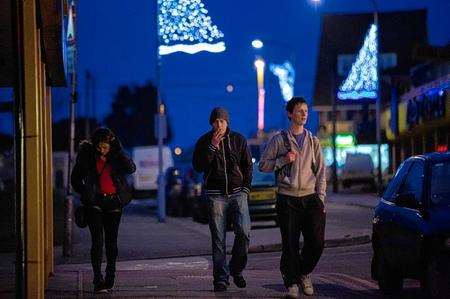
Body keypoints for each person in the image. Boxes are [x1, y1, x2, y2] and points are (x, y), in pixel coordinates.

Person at [259, 97, 326, 298]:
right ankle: (292, 283)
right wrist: (282, 160)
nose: (304, 114)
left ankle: (303, 272)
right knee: (290, 245)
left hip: (310, 198)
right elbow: (263, 165)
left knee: (316, 242)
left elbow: (322, 172)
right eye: (299, 111)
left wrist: (321, 198)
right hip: (287, 199)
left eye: (306, 111)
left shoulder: (313, 141)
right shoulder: (279, 140)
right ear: (290, 114)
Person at [192, 107, 253, 292]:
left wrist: (245, 189)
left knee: (244, 232)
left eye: (222, 121)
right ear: (211, 123)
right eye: (216, 121)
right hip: (215, 194)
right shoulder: (204, 141)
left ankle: (236, 268)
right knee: (218, 239)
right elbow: (198, 166)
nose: (219, 124)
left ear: (227, 122)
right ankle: (220, 279)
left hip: (237, 193)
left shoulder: (238, 139)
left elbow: (247, 165)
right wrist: (212, 147)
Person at [71, 127, 136, 293]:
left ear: (111, 145)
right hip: (95, 202)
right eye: (99, 146)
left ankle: (110, 277)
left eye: (105, 147)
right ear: (95, 144)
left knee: (111, 242)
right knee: (97, 240)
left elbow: (131, 168)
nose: (102, 150)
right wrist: (85, 192)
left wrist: (119, 150)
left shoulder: (116, 155)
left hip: (114, 202)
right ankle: (97, 278)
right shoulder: (86, 155)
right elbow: (75, 179)